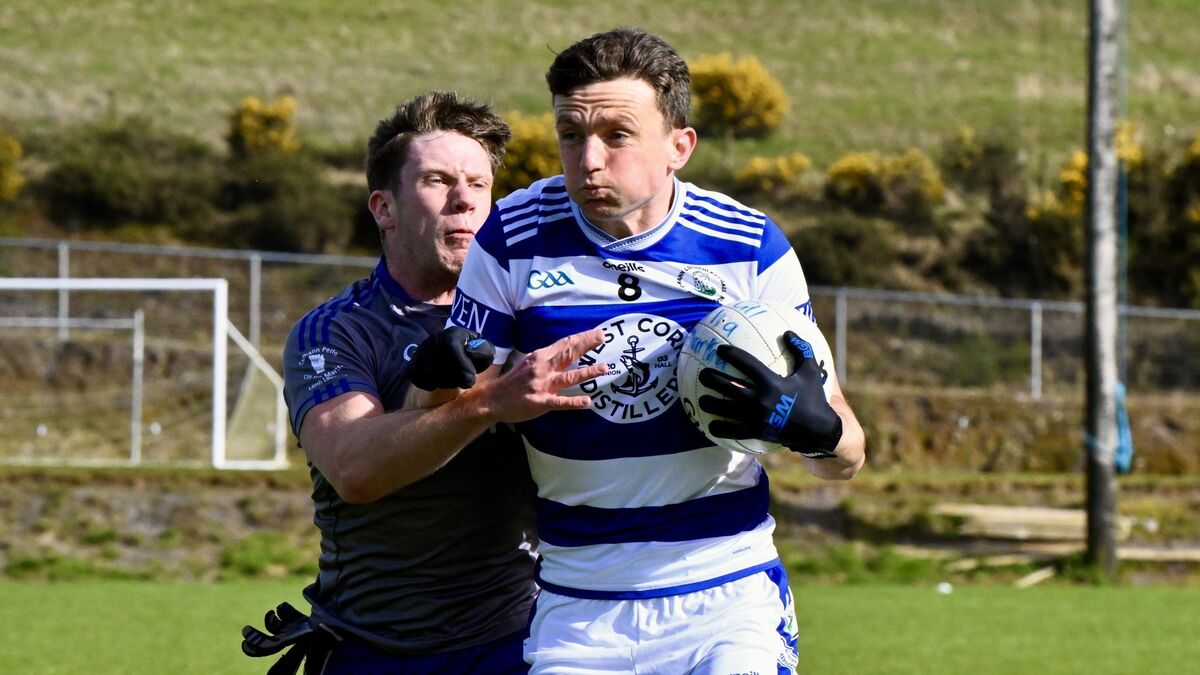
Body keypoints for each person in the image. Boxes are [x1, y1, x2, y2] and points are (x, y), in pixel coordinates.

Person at [449, 28, 867, 673]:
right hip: (576, 603)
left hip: (725, 597)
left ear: (680, 145)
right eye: (571, 134)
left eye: (616, 135)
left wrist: (817, 432)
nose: (588, 159)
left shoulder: (749, 248)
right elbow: (448, 410)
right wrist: (489, 399)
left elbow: (845, 457)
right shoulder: (512, 238)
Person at [242, 91, 608, 675]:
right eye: (437, 181)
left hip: (520, 642)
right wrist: (486, 405)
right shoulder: (336, 332)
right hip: (374, 647)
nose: (463, 200)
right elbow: (355, 469)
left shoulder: (541, 316)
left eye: (478, 184)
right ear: (385, 207)